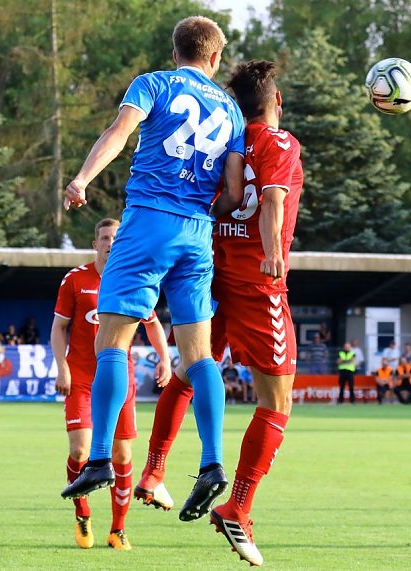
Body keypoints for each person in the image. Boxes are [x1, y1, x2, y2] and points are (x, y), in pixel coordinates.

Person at [61, 15, 246, 516]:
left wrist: (81, 179)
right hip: (197, 232)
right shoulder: (231, 110)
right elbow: (231, 192)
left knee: (112, 343)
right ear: (214, 59)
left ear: (175, 53)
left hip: (146, 224)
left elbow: (119, 131)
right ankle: (211, 464)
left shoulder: (154, 84)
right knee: (199, 355)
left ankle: (100, 458)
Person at [133, 60, 304, 566]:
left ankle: (155, 471)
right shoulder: (280, 142)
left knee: (192, 369)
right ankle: (239, 507)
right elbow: (272, 197)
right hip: (257, 282)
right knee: (277, 403)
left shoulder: (222, 134)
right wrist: (273, 250)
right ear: (276, 104)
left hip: (212, 269)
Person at [51, 218, 172, 550]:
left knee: (121, 455)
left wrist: (164, 357)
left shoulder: (133, 279)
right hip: (82, 380)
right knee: (80, 450)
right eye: (104, 237)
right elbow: (59, 327)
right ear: (95, 244)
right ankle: (83, 514)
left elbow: (153, 324)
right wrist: (61, 367)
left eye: (116, 237)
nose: (110, 242)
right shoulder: (76, 280)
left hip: (121, 380)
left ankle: (118, 529)